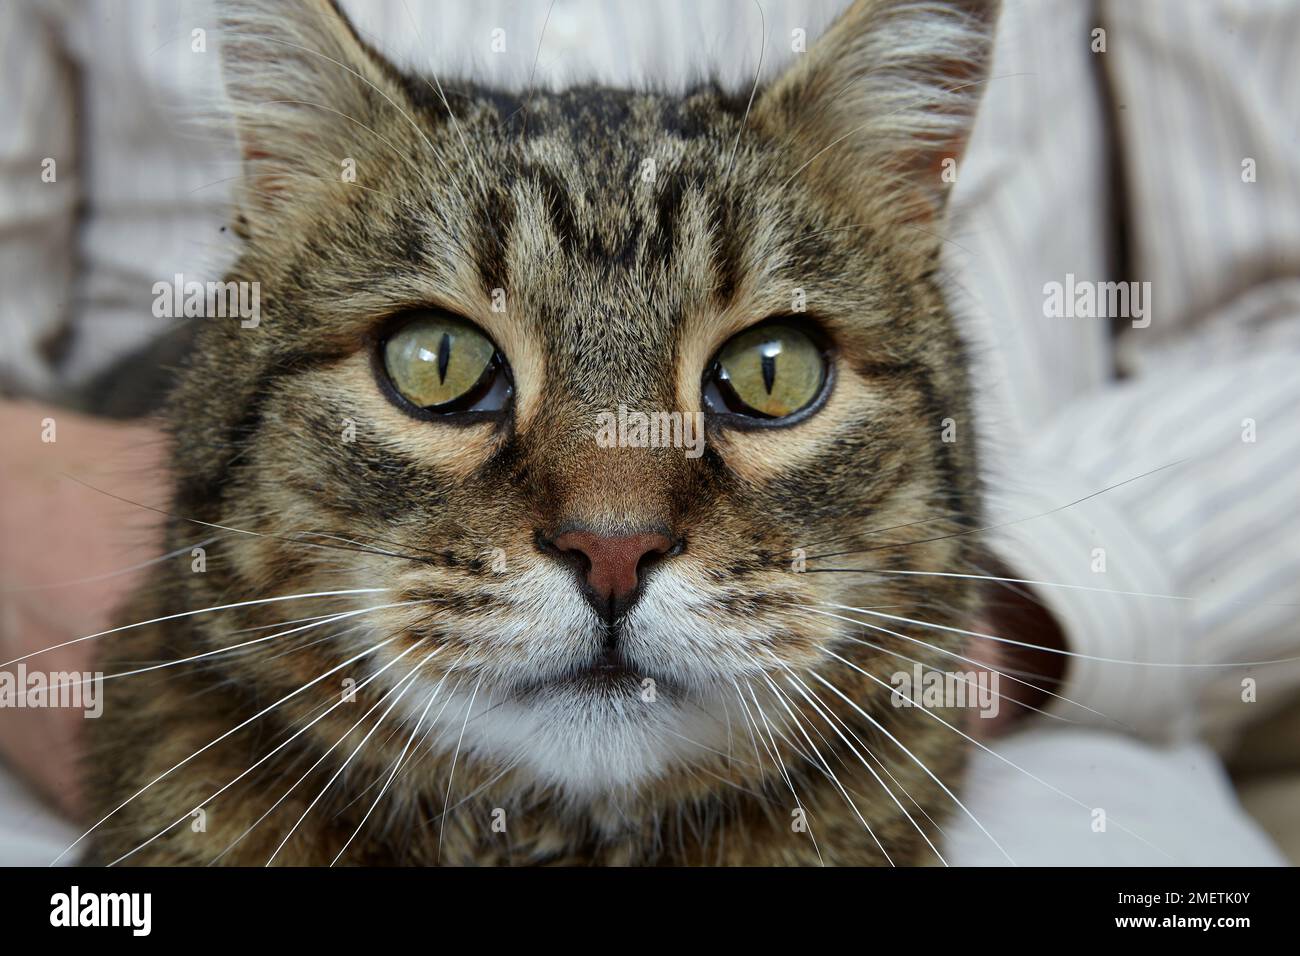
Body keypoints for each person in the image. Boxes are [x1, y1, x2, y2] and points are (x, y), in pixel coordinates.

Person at [2, 0, 1297, 865]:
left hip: (961, 688)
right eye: (441, 369)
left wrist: (1020, 609)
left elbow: (1276, 327)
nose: (612, 532)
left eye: (768, 375)